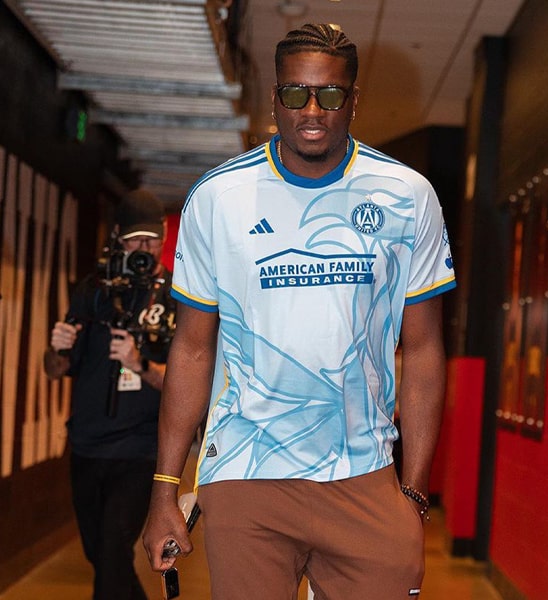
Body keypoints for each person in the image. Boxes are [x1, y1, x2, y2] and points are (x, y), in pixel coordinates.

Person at [143, 23, 456, 600]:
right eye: (295, 93)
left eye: (330, 95)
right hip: (246, 471)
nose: (312, 111)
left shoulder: (406, 196)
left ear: (353, 101)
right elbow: (192, 348)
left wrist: (414, 493)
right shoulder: (217, 197)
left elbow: (423, 349)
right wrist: (165, 488)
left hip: (363, 475)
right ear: (275, 98)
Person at [44, 188, 176, 600]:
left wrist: (141, 364)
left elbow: (186, 384)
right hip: (86, 446)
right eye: (135, 240)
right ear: (118, 237)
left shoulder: (175, 295)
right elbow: (55, 370)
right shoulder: (92, 291)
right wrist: (57, 348)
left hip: (139, 450)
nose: (144, 249)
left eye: (152, 240)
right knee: (101, 556)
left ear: (164, 235)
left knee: (112, 551)